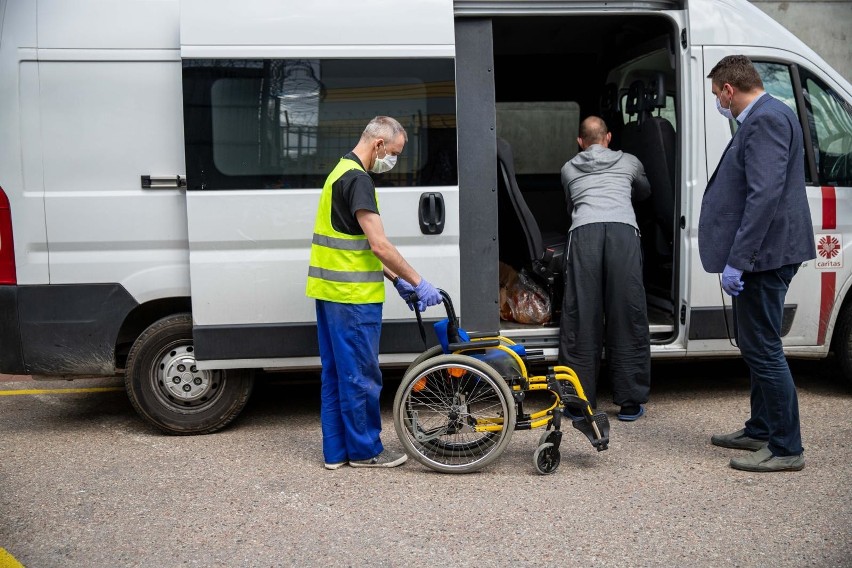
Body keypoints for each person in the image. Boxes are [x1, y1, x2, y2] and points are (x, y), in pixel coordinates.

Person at [700, 55, 816, 472]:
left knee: (764, 348)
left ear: (730, 89)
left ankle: (787, 447)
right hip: (764, 255)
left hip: (765, 257)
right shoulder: (768, 115)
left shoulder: (765, 119)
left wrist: (739, 259)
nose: (718, 102)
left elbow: (763, 196)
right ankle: (761, 428)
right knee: (755, 345)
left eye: (717, 95)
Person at [306, 116, 442, 470]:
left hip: (330, 294)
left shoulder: (339, 171)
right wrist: (416, 280)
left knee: (336, 375)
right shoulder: (359, 180)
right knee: (361, 377)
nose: (392, 161)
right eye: (394, 153)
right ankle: (366, 452)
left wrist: (395, 280)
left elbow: (357, 244)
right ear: (379, 144)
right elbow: (379, 244)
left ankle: (337, 453)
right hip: (353, 299)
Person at [558, 116, 652, 421]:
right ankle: (629, 402)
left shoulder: (568, 168)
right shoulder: (631, 162)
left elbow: (571, 204)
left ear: (580, 142)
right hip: (624, 232)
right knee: (626, 311)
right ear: (609, 137)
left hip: (583, 232)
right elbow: (645, 192)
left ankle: (577, 402)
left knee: (582, 315)